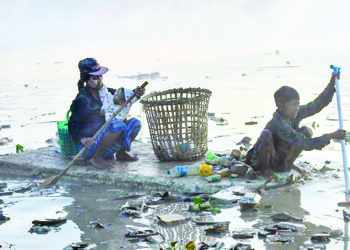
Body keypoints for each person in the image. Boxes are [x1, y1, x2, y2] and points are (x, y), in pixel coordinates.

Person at [245, 72, 346, 178]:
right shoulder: (279, 125)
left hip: (279, 157)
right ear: (280, 106)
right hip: (260, 163)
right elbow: (306, 144)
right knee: (267, 135)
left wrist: (331, 85)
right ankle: (267, 171)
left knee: (306, 131)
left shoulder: (295, 113)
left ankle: (288, 164)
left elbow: (316, 105)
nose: (297, 108)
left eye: (298, 104)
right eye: (293, 105)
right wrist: (331, 136)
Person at [68, 58, 144, 169]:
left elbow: (121, 97)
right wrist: (82, 138)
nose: (99, 79)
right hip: (91, 147)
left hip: (107, 144)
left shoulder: (106, 92)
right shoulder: (82, 99)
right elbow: (72, 125)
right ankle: (96, 158)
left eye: (100, 76)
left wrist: (135, 93)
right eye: (95, 77)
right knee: (117, 125)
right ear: (86, 80)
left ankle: (121, 153)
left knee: (135, 123)